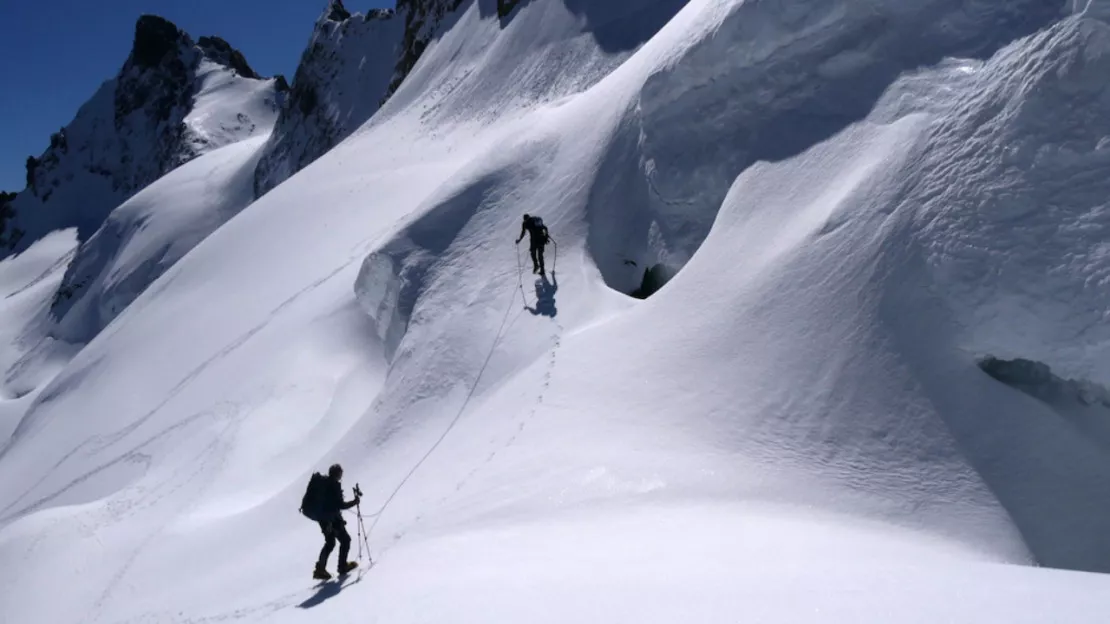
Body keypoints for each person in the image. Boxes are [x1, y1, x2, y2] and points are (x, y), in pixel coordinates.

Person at [313, 463, 361, 580]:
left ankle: (320, 569)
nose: (341, 475)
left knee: (330, 543)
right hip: (332, 520)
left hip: (324, 520)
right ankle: (342, 566)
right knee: (345, 540)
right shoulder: (333, 486)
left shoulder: (324, 485)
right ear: (337, 474)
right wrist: (354, 502)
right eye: (340, 473)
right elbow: (340, 505)